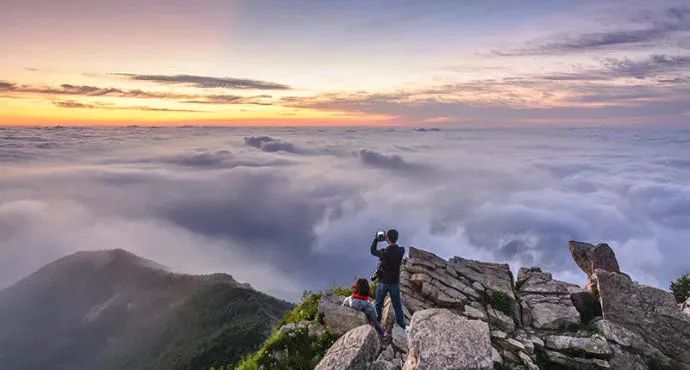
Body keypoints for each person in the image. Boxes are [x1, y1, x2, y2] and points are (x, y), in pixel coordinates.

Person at [370, 229, 407, 330]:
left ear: (387, 239)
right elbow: (398, 249)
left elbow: (372, 251)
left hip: (383, 282)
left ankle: (377, 325)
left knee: (378, 304)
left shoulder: (384, 252)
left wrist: (376, 239)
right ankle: (402, 325)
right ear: (396, 238)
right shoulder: (401, 251)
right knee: (397, 306)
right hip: (394, 282)